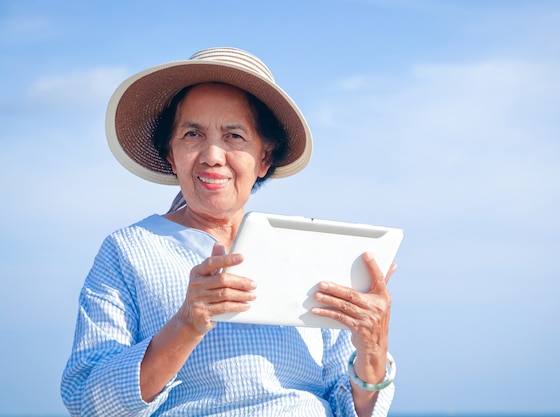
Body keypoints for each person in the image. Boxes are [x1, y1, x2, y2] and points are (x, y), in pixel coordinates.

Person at [61, 47, 397, 417]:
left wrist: (373, 348)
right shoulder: (129, 250)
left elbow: (355, 407)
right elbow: (87, 401)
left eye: (234, 136)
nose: (212, 155)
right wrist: (186, 322)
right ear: (171, 154)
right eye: (192, 134)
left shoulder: (307, 250)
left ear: (265, 158)